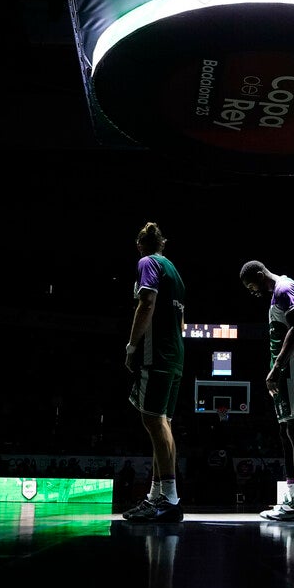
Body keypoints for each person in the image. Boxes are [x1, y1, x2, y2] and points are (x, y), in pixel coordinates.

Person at [240, 260, 294, 522]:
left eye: (253, 286)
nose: (254, 292)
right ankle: (292, 495)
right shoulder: (277, 293)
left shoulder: (285, 288)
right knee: (287, 432)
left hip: (293, 370)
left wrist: (277, 368)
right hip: (285, 374)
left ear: (261, 275)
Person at [119, 222, 187, 524]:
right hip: (175, 355)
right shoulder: (175, 271)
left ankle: (168, 498)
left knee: (152, 420)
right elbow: (182, 321)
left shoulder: (147, 263)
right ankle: (159, 494)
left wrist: (132, 346)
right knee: (163, 423)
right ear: (164, 244)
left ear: (139, 245)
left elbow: (146, 303)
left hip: (155, 352)